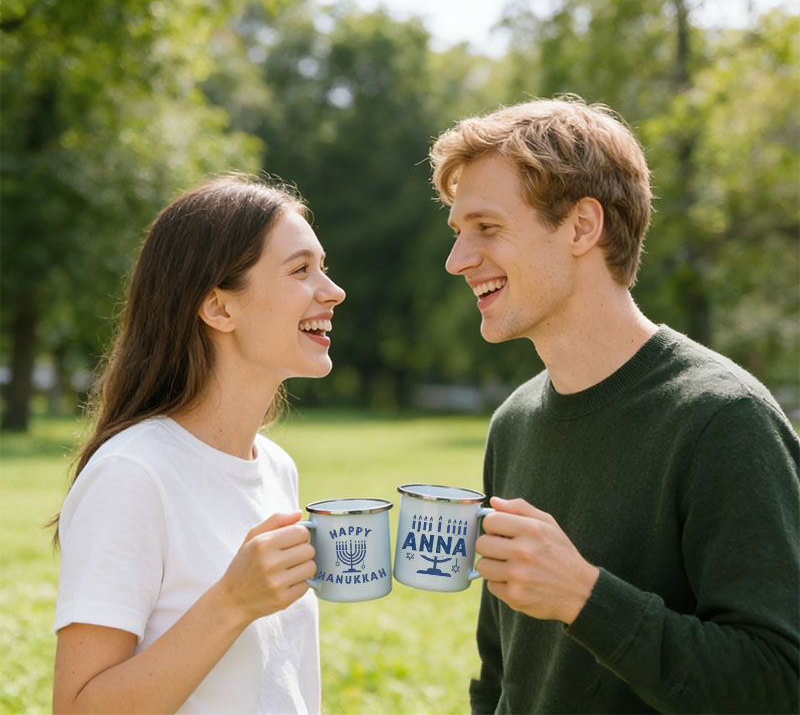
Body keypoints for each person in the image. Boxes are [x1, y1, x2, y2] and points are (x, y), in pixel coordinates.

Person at [429, 96, 799, 714]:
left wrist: (584, 596)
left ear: (581, 226)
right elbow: (503, 673)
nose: (457, 259)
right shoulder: (513, 425)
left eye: (487, 228)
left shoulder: (725, 420)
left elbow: (780, 683)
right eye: (459, 232)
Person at [52, 174, 345, 714]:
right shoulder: (132, 474)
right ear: (219, 308)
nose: (333, 290)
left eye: (323, 268)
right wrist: (232, 602)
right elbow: (78, 707)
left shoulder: (276, 468)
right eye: (301, 270)